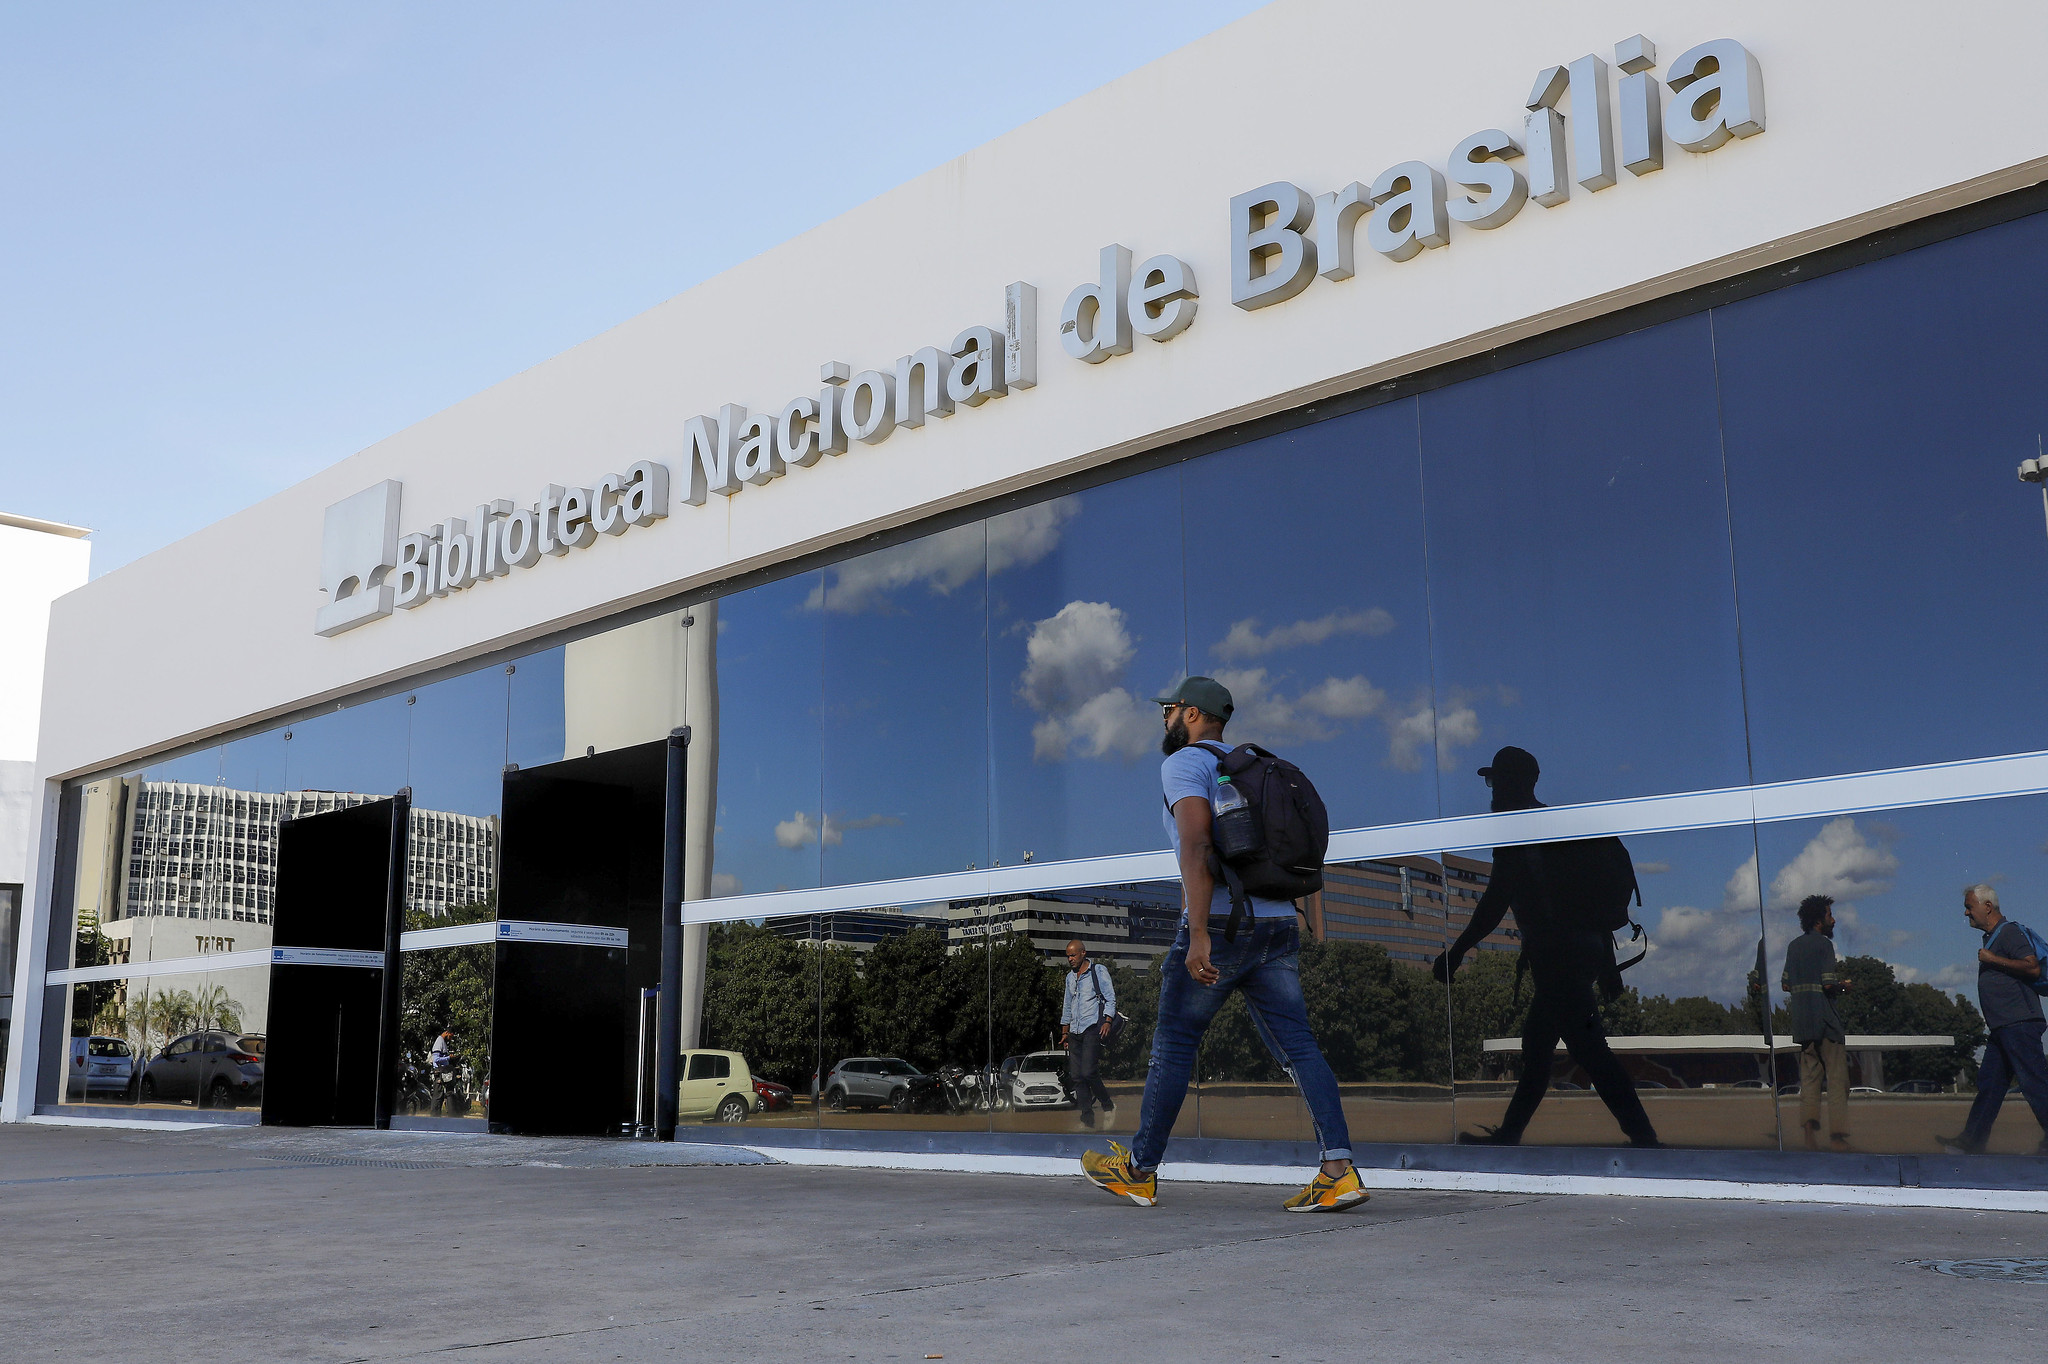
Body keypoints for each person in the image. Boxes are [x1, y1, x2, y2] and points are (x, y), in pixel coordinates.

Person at [1081, 677, 1365, 1213]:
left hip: (1220, 924)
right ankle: (1339, 1171)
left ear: (1191, 713)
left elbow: (1196, 842)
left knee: (1173, 1044)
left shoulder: (1184, 765)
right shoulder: (1254, 765)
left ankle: (1139, 1171)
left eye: (1167, 709)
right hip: (1278, 923)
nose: (1163, 719)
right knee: (1299, 1046)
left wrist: (1199, 934)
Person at [1431, 746, 1661, 1149]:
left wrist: (1458, 950)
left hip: (1559, 957)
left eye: (1496, 780)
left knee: (1587, 1049)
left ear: (1518, 781)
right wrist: (1604, 965)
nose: (1492, 789)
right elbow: (1582, 906)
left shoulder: (1520, 830)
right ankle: (1511, 1135)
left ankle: (1643, 1136)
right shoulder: (1557, 828)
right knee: (1539, 1049)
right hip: (1577, 953)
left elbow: (1495, 901)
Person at [1939, 884, 2048, 1156]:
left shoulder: (2008, 933)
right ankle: (1971, 1142)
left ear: (1987, 906)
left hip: (2019, 1023)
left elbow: (2031, 966)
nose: (1966, 913)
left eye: (1969, 907)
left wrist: (1993, 959)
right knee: (1990, 1084)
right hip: (2004, 1026)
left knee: (2033, 1082)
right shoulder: (1992, 938)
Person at [1781, 895, 1851, 1152]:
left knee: (1809, 1081)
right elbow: (1829, 983)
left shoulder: (1793, 946)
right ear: (1819, 921)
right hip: (1826, 1022)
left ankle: (1809, 1137)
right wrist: (1844, 987)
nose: (1833, 920)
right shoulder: (1823, 945)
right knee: (1837, 1081)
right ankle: (1837, 1138)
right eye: (1829, 915)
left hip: (1802, 1023)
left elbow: (1786, 983)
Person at [1060, 939, 1117, 1128]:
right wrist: (1064, 1031)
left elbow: (1110, 998)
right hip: (1074, 1031)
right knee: (1077, 1076)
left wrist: (1108, 1020)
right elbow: (1067, 1005)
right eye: (1068, 955)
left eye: (1073, 955)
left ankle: (1108, 1106)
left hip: (1092, 1027)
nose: (1070, 959)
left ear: (1083, 953)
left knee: (1088, 1072)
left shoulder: (1098, 971)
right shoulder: (1070, 977)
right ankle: (1087, 1119)